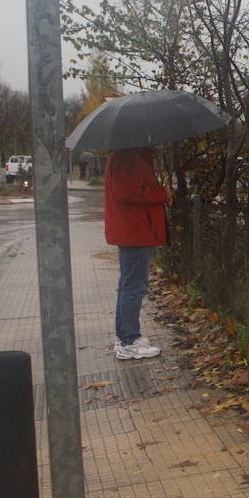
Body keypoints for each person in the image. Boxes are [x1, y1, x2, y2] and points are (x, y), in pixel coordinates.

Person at [104, 147, 168, 360]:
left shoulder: (128, 155)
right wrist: (162, 193)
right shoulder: (126, 157)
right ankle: (128, 341)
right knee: (133, 286)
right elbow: (127, 193)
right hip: (135, 231)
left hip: (135, 230)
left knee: (129, 285)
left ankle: (126, 336)